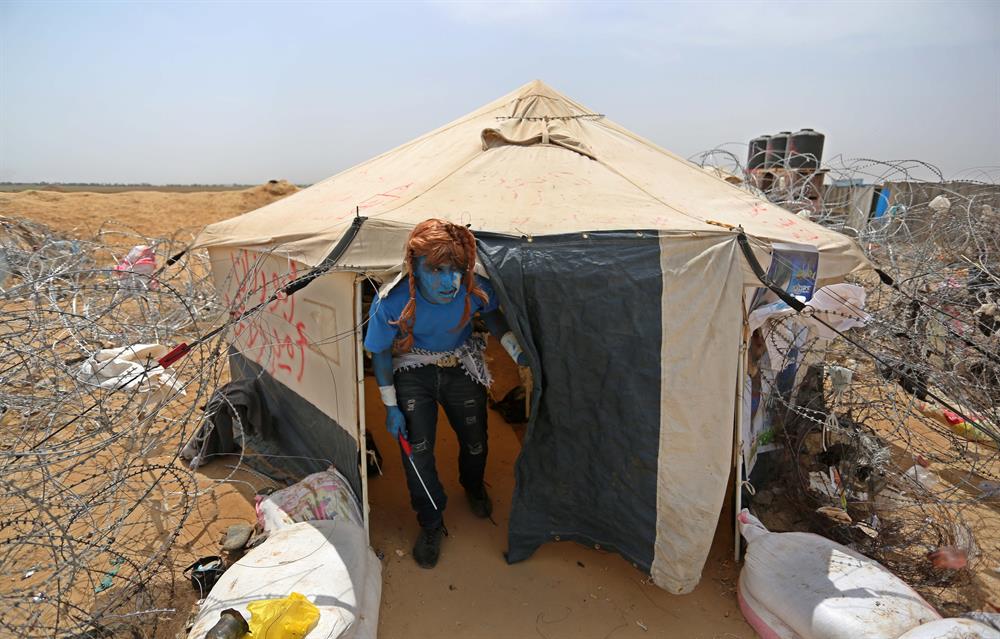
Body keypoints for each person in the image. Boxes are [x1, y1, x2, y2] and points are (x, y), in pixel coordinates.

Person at [364, 219, 528, 568]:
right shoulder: (392, 302)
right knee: (416, 451)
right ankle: (431, 521)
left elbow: (492, 312)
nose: (449, 281)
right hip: (412, 368)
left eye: (457, 269)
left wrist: (516, 351)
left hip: (459, 362)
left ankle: (473, 485)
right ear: (414, 266)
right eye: (436, 269)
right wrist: (391, 407)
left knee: (475, 439)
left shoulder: (472, 288)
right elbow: (380, 352)